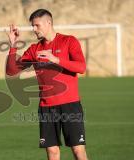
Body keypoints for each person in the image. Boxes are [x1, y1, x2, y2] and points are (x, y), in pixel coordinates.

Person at [6, 9, 88, 160]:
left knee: (78, 151)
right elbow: (11, 71)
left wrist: (56, 59)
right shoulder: (34, 49)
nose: (34, 29)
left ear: (48, 23)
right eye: (32, 26)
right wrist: (13, 44)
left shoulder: (69, 41)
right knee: (52, 152)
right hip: (46, 108)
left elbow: (81, 67)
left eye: (37, 25)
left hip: (70, 105)